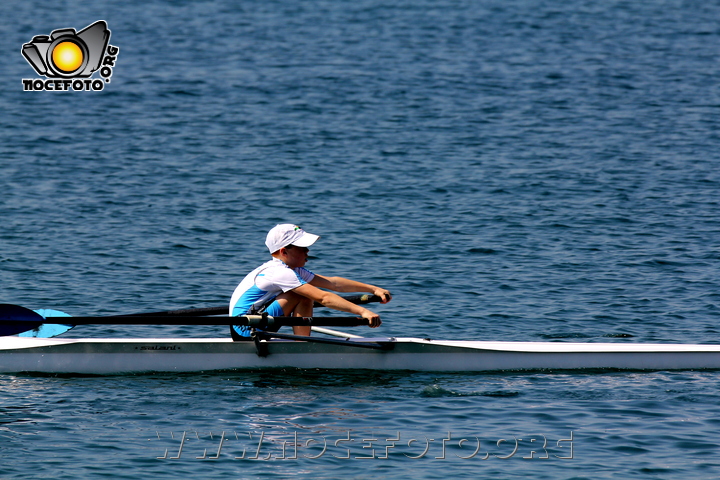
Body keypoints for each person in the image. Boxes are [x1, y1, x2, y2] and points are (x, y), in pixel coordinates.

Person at [229, 224, 392, 340]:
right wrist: (363, 312)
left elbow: (333, 283)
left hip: (253, 321)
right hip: (245, 328)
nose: (308, 250)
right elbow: (324, 298)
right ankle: (302, 345)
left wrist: (373, 289)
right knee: (304, 294)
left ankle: (301, 342)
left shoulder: (291, 270)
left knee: (305, 291)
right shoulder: (279, 272)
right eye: (302, 247)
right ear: (284, 251)